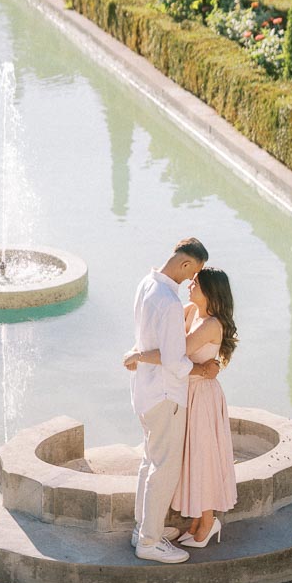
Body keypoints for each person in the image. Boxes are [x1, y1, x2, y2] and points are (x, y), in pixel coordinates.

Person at [123, 236, 219, 564]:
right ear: (185, 263)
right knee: (163, 468)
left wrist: (139, 356)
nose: (191, 279)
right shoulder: (170, 302)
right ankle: (149, 542)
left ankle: (143, 529)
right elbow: (176, 361)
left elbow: (149, 344)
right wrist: (203, 369)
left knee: (149, 461)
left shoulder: (145, 285)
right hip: (166, 395)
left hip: (144, 390)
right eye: (193, 272)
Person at [172, 267, 238, 547]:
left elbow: (176, 352)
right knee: (191, 455)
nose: (190, 285)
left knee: (203, 456)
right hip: (189, 391)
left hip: (202, 396)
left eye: (196, 283)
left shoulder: (211, 324)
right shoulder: (191, 311)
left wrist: (142, 356)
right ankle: (198, 519)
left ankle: (209, 521)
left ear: (210, 291)